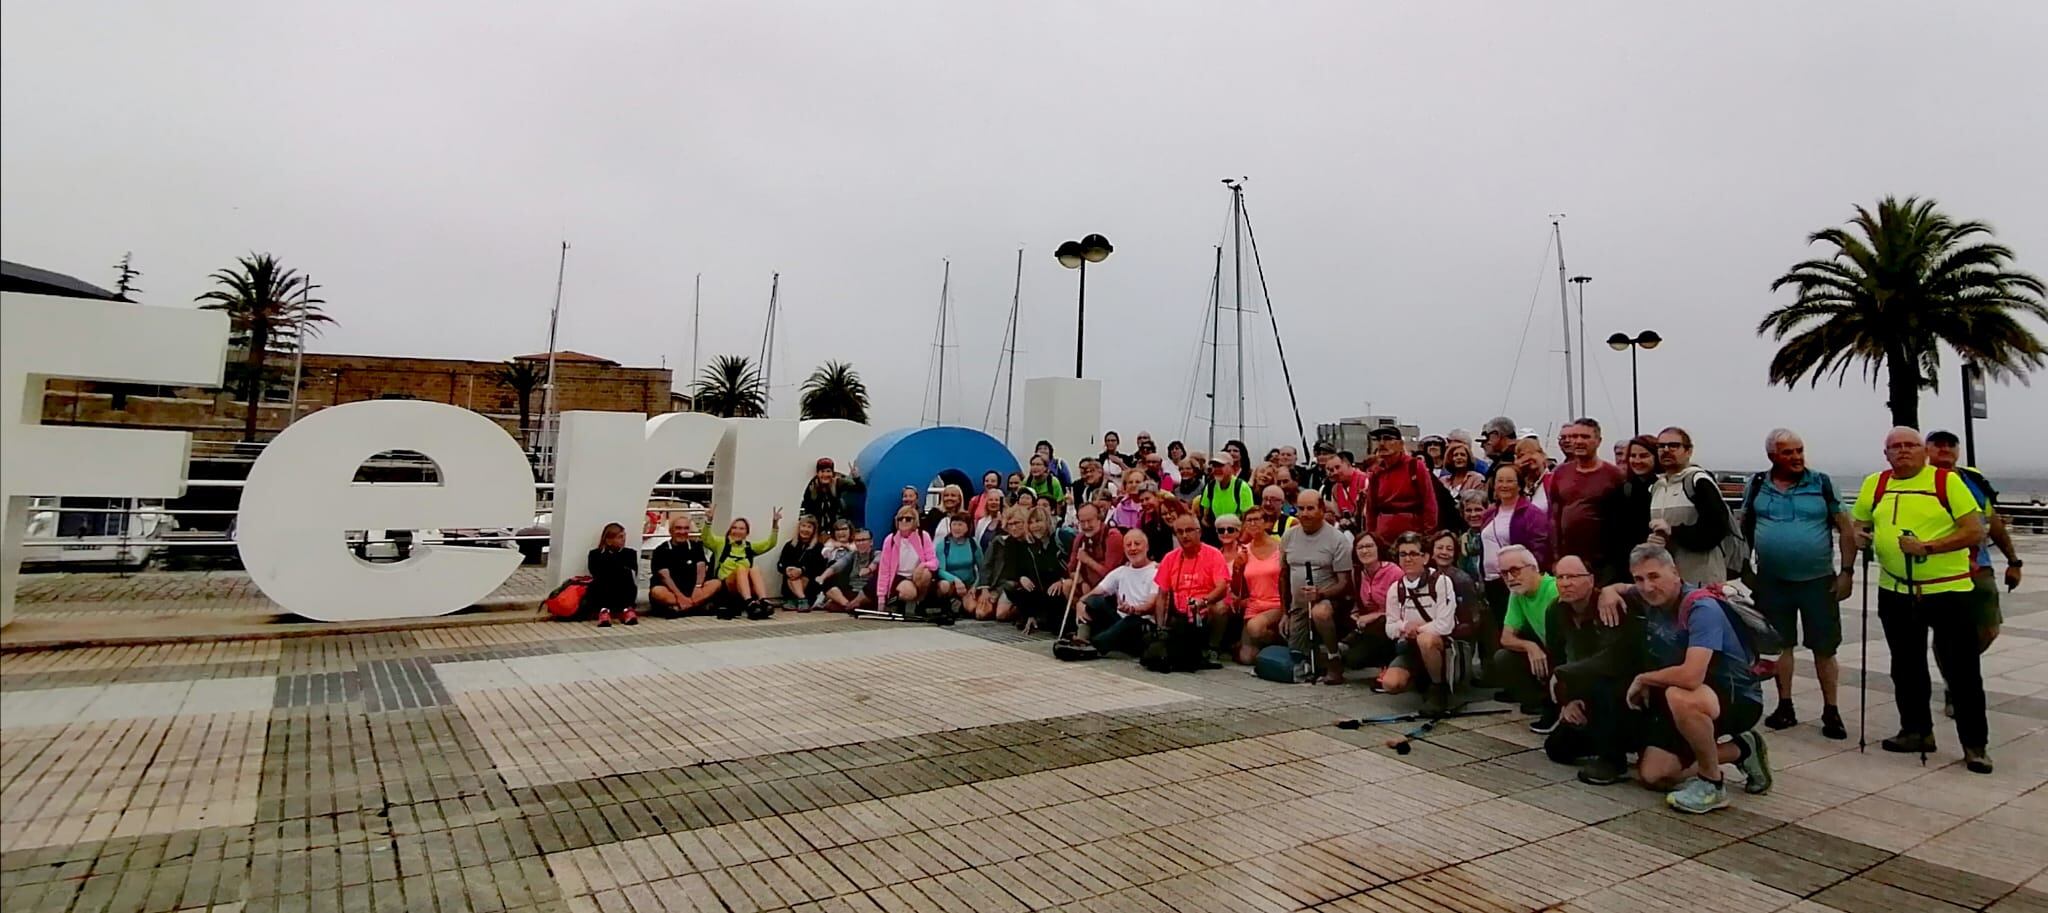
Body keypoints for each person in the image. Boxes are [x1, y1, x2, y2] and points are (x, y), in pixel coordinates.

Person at [1853, 427, 1990, 773]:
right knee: (1906, 665)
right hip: (1895, 590)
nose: (1902, 451)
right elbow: (1858, 523)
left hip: (1949, 591)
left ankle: (1975, 745)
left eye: (1910, 445)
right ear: (1886, 453)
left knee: (1962, 670)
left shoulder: (1947, 482)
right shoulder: (1876, 484)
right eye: (1895, 446)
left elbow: (1975, 531)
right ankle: (1915, 731)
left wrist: (1928, 548)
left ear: (1923, 451)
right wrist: (1859, 536)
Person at [1602, 544, 1772, 814]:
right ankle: (1742, 749)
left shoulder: (1701, 608)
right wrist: (1609, 591)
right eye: (1639, 579)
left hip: (1735, 697)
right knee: (1655, 777)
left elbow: (1692, 676)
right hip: (1692, 696)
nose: (1646, 586)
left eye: (1654, 576)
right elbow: (1621, 588)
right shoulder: (1649, 595)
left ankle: (1712, 784)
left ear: (1675, 573)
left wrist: (1645, 678)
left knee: (1680, 695)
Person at [1744, 429, 1856, 739]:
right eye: (1788, 452)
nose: (1796, 457)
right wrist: (1743, 568)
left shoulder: (1821, 482)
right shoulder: (1756, 485)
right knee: (1780, 646)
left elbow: (1846, 530)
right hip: (1772, 581)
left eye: (1799, 450)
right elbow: (1745, 528)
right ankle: (1785, 705)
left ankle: (1831, 710)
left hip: (1818, 581)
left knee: (1824, 647)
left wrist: (1847, 572)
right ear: (1772, 457)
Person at [1926, 430, 2024, 713]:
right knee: (1947, 634)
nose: (1945, 449)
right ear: (1927, 449)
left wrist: (2013, 561)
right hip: (1942, 569)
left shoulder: (1973, 479)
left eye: (1950, 444)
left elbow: (1991, 521)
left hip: (1980, 566)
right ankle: (1954, 686)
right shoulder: (1921, 480)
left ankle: (1957, 670)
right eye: (1938, 444)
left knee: (1989, 629)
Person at [1543, 555, 1645, 786]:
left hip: (1623, 690)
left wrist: (1563, 673)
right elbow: (1555, 656)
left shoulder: (1609, 604)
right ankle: (1613, 741)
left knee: (1605, 685)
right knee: (1557, 748)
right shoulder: (1555, 611)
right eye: (1561, 577)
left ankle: (1613, 759)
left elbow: (1614, 660)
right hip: (1584, 688)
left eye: (1574, 577)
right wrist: (1567, 701)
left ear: (1590, 580)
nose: (1566, 583)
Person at [1477, 464, 1551, 680]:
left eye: (1510, 480)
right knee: (1500, 631)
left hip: (1515, 581)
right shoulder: (1490, 513)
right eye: (1500, 480)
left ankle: (1534, 678)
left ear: (1520, 485)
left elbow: (1539, 549)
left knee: (1521, 632)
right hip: (1492, 581)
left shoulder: (1531, 514)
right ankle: (1507, 680)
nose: (1504, 485)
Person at [1377, 532, 1460, 714]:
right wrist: (1404, 627)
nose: (1408, 559)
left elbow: (1445, 625)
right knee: (1390, 684)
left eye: (1414, 554)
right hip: (1410, 647)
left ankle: (1439, 689)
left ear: (1425, 557)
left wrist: (1418, 629)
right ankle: (1422, 679)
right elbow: (1390, 628)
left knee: (1426, 640)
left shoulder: (1441, 582)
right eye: (1403, 554)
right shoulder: (1396, 588)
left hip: (1439, 646)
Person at [1281, 490, 1357, 685]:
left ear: (1322, 510)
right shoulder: (1288, 537)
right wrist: (1285, 612)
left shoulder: (1337, 539)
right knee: (1296, 656)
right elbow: (1283, 575)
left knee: (1320, 612)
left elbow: (1344, 583)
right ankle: (1313, 659)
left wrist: (1320, 593)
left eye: (1310, 508)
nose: (1304, 513)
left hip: (1329, 601)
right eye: (1300, 508)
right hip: (1298, 606)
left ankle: (1334, 659)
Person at [1647, 427, 1734, 585]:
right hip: (1668, 581)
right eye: (1661, 446)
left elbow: (1717, 529)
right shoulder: (1657, 487)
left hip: (1701, 579)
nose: (1666, 450)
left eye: (1673, 445)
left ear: (1688, 451)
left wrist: (1673, 531)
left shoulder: (1699, 482)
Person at [1546, 418, 1626, 581]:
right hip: (1569, 560)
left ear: (1598, 441)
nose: (1578, 441)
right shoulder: (1560, 473)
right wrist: (1555, 557)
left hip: (1604, 563)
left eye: (1585, 437)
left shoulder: (1614, 475)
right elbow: (1554, 517)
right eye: (1574, 437)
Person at [1491, 545, 1561, 728]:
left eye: (1515, 570)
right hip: (1547, 650)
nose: (1510, 578)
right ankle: (1540, 702)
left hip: (1568, 654)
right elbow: (1506, 638)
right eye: (1504, 573)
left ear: (1533, 568)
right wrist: (1530, 646)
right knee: (1503, 657)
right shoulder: (1517, 594)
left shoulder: (1555, 589)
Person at [1154, 512, 1233, 663]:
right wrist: (1160, 628)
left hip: (1205, 610)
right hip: (1181, 614)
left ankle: (1213, 648)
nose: (1184, 535)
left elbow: (1222, 587)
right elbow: (1162, 596)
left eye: (1189, 530)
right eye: (1180, 532)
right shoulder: (1170, 558)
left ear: (1199, 532)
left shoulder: (1213, 554)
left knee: (1221, 607)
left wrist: (1203, 601)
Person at [1081, 532, 1160, 656]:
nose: (1133, 548)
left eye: (1137, 544)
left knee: (1131, 621)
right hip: (1120, 622)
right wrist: (1081, 602)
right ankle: (1083, 638)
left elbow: (1151, 605)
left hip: (1141, 626)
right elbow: (1097, 591)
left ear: (1147, 547)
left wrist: (1132, 609)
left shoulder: (1156, 572)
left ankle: (1092, 646)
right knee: (1094, 601)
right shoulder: (1121, 571)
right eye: (1128, 545)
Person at [1051, 502, 1124, 634]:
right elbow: (1071, 568)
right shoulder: (1080, 538)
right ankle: (1085, 623)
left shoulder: (1113, 537)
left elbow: (1110, 574)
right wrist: (1081, 582)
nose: (1086, 526)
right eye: (1082, 522)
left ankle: (1093, 628)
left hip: (1109, 592)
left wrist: (1088, 560)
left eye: (1090, 521)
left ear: (1099, 518)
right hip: (1088, 586)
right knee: (1068, 585)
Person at [1359, 426, 1440, 545]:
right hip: (1383, 539)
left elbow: (1429, 503)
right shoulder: (1376, 473)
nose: (1382, 443)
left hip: (1412, 538)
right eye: (1378, 439)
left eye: (1387, 439)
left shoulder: (1415, 466)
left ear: (1400, 444)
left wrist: (1428, 535)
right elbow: (1371, 509)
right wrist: (1372, 537)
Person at [699, 505, 782, 619]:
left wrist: (775, 525)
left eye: (741, 529)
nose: (737, 531)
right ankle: (749, 603)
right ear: (730, 530)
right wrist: (708, 521)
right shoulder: (721, 543)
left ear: (747, 532)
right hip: (727, 585)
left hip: (745, 586)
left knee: (754, 569)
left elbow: (769, 544)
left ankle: (763, 600)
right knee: (741, 569)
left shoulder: (749, 547)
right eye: (734, 528)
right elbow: (706, 539)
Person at [1233, 507, 1288, 664]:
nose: (1253, 523)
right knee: (1247, 658)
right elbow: (1237, 589)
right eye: (1249, 520)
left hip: (1277, 604)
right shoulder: (1244, 551)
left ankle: (1279, 640)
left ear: (1267, 524)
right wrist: (1237, 568)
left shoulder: (1281, 548)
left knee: (1255, 628)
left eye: (1257, 519)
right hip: (1254, 606)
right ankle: (1270, 646)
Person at [1609, 435, 1662, 577]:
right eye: (1633, 456)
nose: (1637, 461)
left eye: (1644, 456)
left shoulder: (1664, 486)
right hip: (1627, 566)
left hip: (1657, 562)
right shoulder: (1622, 489)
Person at [876, 505, 939, 614]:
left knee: (926, 574)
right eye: (900, 518)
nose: (904, 521)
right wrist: (881, 599)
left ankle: (919, 603)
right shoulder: (890, 540)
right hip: (899, 577)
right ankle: (898, 602)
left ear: (915, 521)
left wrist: (922, 566)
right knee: (909, 592)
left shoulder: (923, 536)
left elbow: (934, 562)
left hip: (917, 575)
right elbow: (884, 571)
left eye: (908, 519)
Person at [649, 515, 714, 617]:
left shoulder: (696, 547)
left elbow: (701, 567)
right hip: (671, 591)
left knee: (716, 583)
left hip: (693, 590)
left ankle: (682, 607)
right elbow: (665, 577)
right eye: (678, 528)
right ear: (671, 531)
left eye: (686, 528)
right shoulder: (661, 550)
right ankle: (694, 605)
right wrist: (679, 596)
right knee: (657, 592)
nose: (682, 532)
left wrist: (697, 587)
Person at [585, 522, 639, 627]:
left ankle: (627, 610)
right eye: (620, 537)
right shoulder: (595, 554)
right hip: (605, 590)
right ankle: (604, 611)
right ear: (609, 540)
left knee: (625, 575)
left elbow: (633, 572)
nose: (623, 539)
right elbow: (595, 572)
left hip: (622, 590)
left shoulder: (630, 553)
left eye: (624, 536)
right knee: (602, 579)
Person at [817, 527, 879, 612]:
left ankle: (847, 606)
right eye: (857, 540)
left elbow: (876, 562)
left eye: (863, 540)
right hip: (852, 591)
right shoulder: (852, 555)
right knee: (828, 581)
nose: (860, 543)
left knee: (872, 587)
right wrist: (822, 577)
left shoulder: (877, 554)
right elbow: (837, 566)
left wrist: (869, 569)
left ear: (871, 542)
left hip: (866, 594)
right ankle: (848, 605)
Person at [774, 515, 826, 609]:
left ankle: (801, 599)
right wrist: (786, 569)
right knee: (792, 577)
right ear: (799, 528)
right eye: (803, 526)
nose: (805, 529)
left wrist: (802, 570)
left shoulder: (819, 547)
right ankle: (801, 599)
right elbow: (780, 564)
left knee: (802, 577)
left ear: (814, 530)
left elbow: (819, 568)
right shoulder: (789, 545)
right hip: (790, 583)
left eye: (809, 527)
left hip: (809, 585)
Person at [1195, 453, 1256, 533]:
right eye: (1214, 466)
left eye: (1220, 466)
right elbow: (1205, 518)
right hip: (1216, 533)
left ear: (1231, 467)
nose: (1216, 469)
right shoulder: (1210, 487)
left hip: (1236, 533)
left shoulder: (1242, 487)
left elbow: (1247, 519)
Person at [933, 513, 981, 610]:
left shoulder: (973, 543)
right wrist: (955, 580)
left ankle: (961, 604)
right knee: (944, 586)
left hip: (969, 585)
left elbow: (982, 569)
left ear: (968, 527)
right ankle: (947, 605)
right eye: (954, 524)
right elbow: (940, 570)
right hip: (951, 584)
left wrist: (975, 586)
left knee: (971, 608)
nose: (956, 528)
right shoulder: (943, 544)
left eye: (960, 525)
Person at [799, 459, 862, 529]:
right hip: (817, 526)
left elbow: (860, 489)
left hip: (836, 525)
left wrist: (856, 478)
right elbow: (806, 507)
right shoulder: (811, 487)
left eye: (828, 471)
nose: (825, 474)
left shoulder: (838, 483)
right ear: (817, 473)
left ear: (832, 473)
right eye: (822, 471)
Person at [1320, 448, 1367, 534]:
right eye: (1330, 470)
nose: (1334, 472)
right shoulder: (1335, 489)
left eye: (1337, 467)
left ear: (1348, 465)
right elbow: (1338, 516)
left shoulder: (1365, 481)